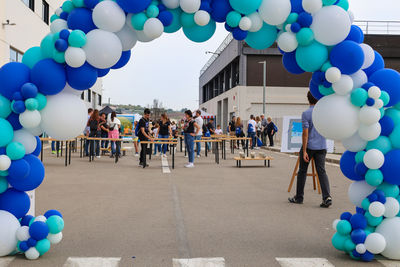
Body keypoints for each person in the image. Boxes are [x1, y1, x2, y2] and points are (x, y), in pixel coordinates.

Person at [289, 91, 332, 208]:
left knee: (302, 171)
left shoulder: (306, 113)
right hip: (322, 146)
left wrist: (304, 151)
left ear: (308, 99)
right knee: (321, 171)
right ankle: (326, 196)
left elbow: (305, 134)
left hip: (309, 147)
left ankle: (299, 197)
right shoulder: (323, 113)